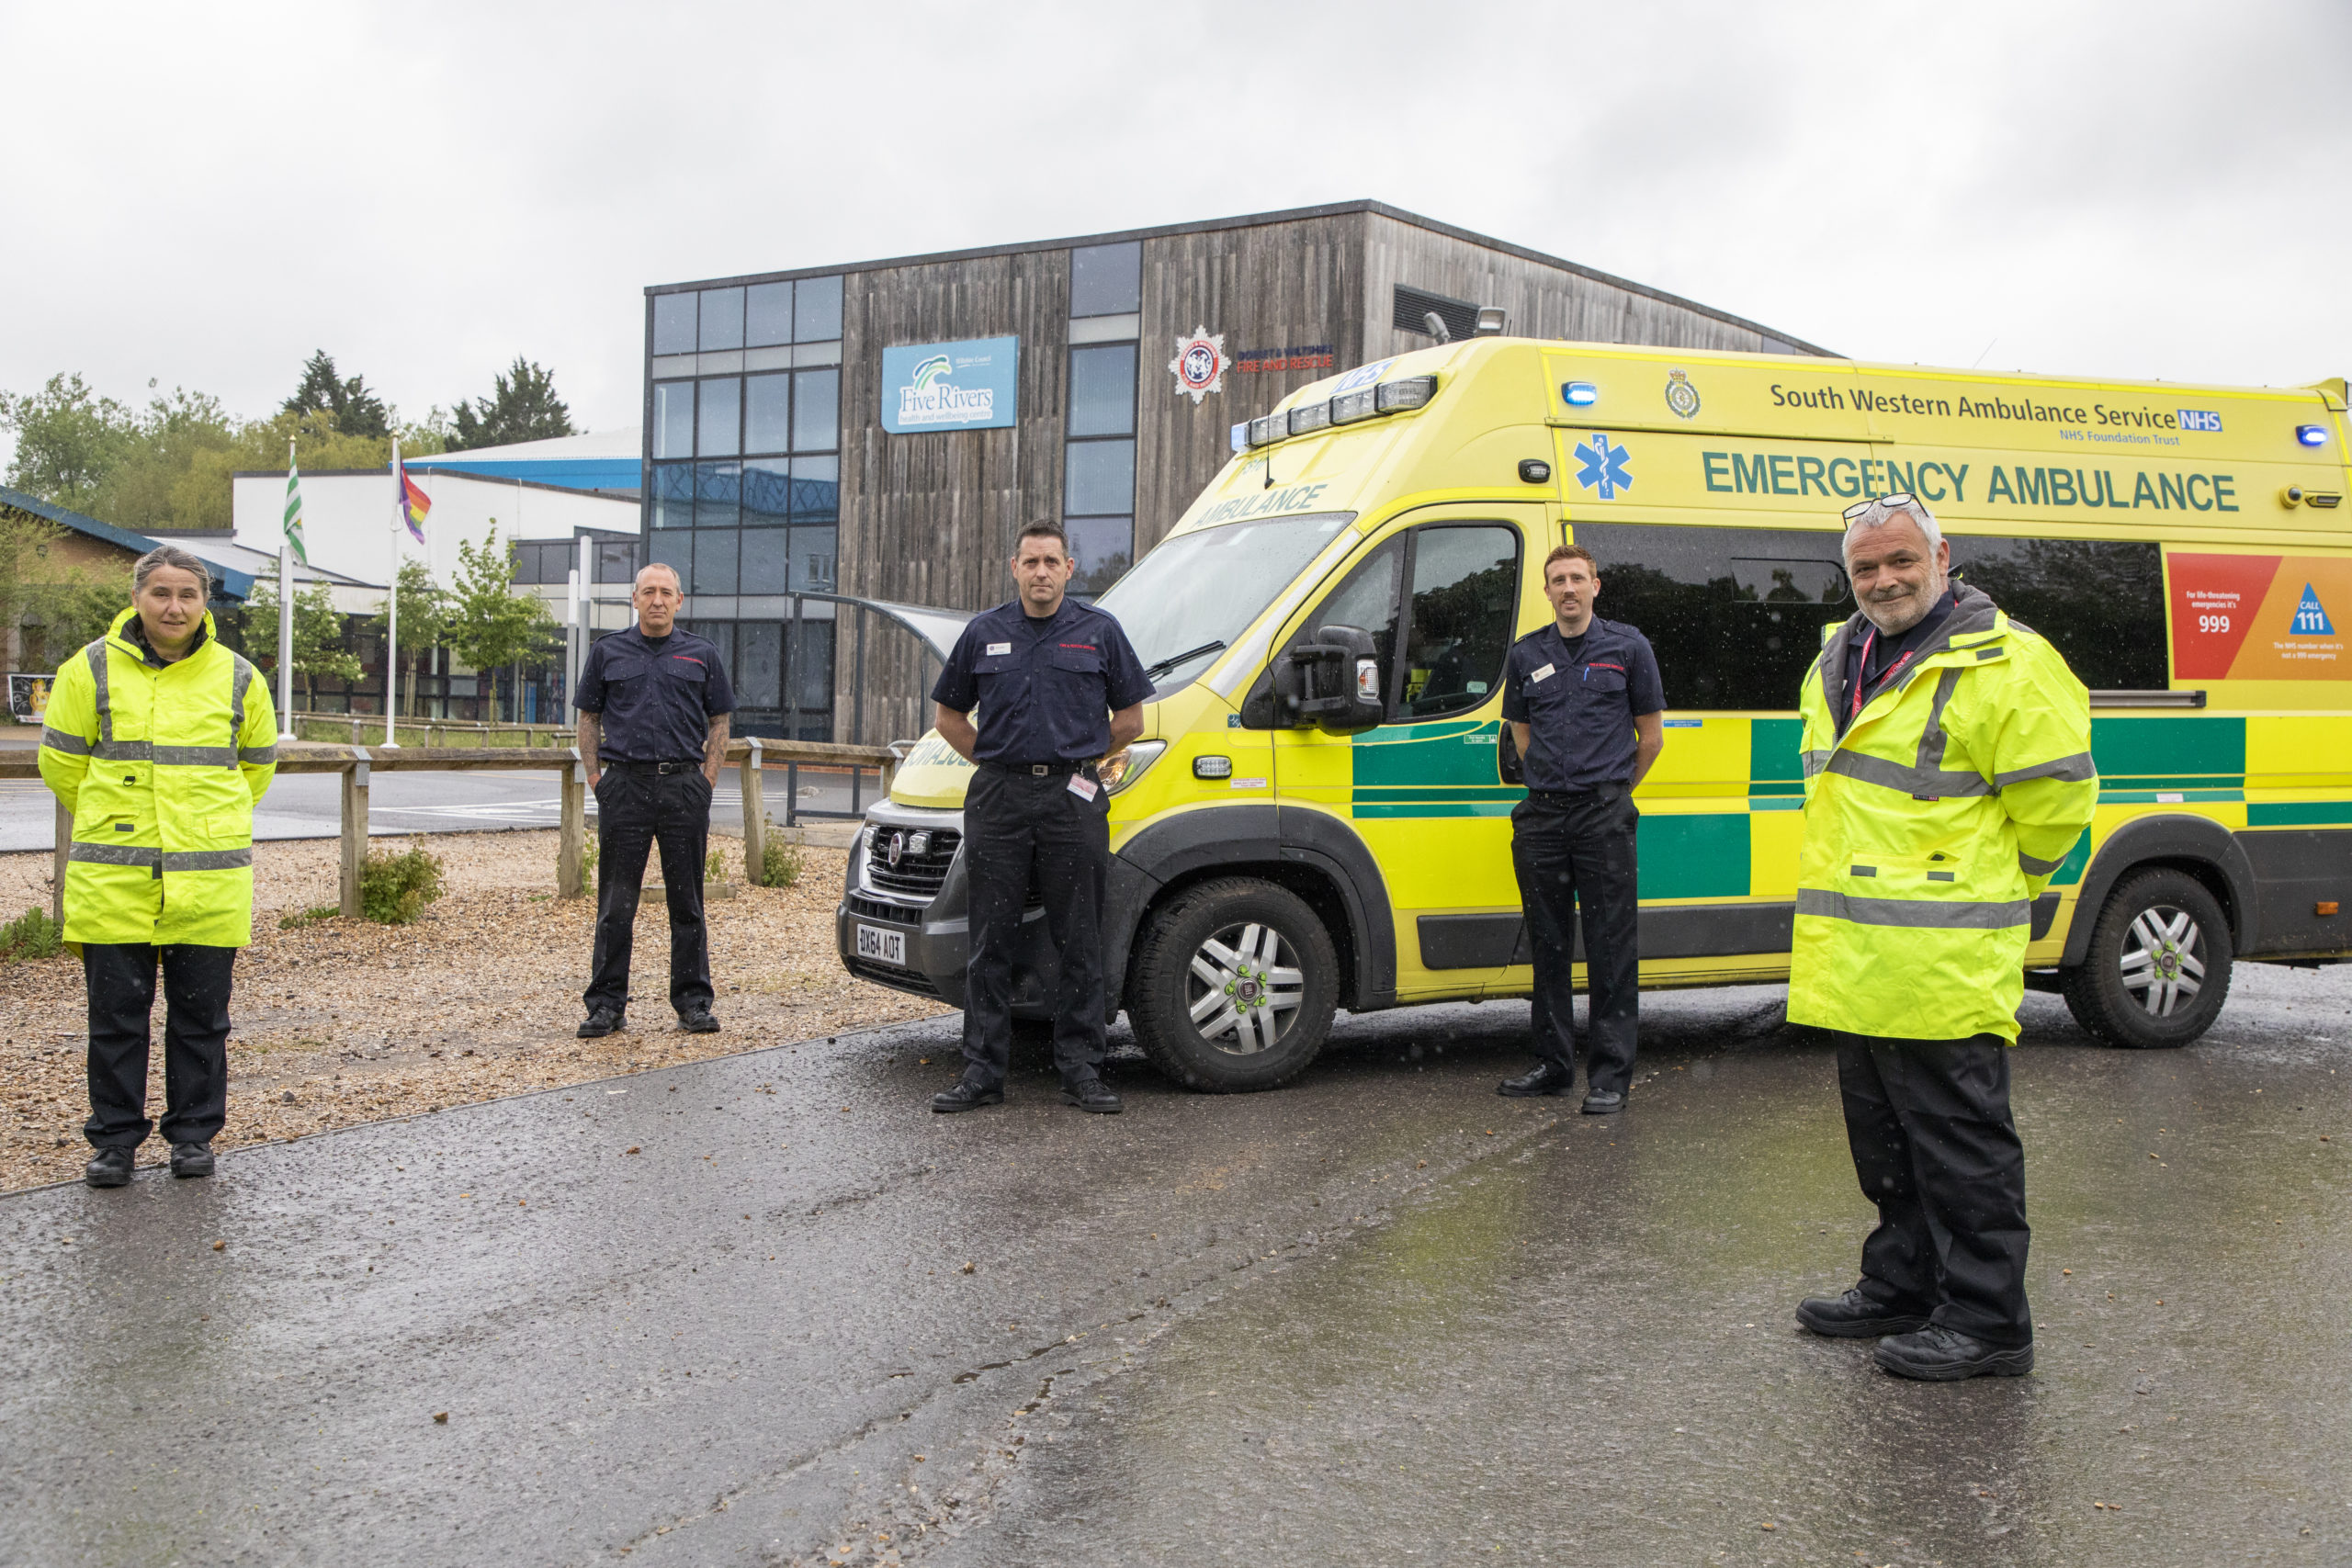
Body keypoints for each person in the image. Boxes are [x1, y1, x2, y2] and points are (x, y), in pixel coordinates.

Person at [1790, 493, 2096, 1381]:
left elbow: (2057, 808)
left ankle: (1990, 1320)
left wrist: (1988, 886)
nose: (1883, 580)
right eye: (1865, 567)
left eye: (1901, 560)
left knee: (1962, 1149)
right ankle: (1903, 1284)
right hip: (1860, 958)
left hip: (1946, 957)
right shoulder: (1838, 656)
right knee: (1887, 1148)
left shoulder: (2008, 660)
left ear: (1942, 556)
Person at [39, 545, 277, 1188]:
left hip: (207, 884)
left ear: (205, 603)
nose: (174, 607)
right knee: (115, 1021)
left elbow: (256, 768)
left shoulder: (239, 677)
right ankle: (114, 1141)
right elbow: (61, 764)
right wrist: (115, 819)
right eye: (161, 593)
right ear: (137, 597)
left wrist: (202, 826)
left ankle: (193, 1136)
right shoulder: (88, 669)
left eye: (187, 594)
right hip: (113, 882)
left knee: (202, 1021)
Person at [928, 521, 1153, 1115]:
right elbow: (948, 717)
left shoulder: (1099, 631)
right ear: (1015, 568)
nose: (1041, 572)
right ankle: (982, 1072)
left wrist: (1083, 752)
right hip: (998, 799)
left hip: (1072, 796)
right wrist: (995, 759)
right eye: (1031, 562)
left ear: (1069, 568)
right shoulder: (984, 632)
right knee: (990, 937)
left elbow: (1132, 718)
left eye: (1052, 561)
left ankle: (1082, 1070)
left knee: (1079, 936)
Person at [1496, 544, 1665, 1112]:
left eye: (1577, 578)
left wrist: (1612, 792)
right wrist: (1555, 785)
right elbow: (1522, 734)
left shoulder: (1628, 647)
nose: (1567, 588)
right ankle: (1553, 1065)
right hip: (1542, 818)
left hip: (1603, 815)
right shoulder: (1527, 654)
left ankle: (1610, 1077)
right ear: (1546, 591)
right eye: (1557, 580)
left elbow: (1651, 738)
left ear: (1596, 585)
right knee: (1547, 946)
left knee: (1610, 948)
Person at [573, 563, 734, 1039]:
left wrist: (706, 781)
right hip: (625, 789)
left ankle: (693, 1001)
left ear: (679, 601)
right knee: (615, 905)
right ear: (635, 599)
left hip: (683, 789)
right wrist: (596, 779)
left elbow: (720, 721)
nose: (657, 600)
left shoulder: (702, 654)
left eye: (666, 592)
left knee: (688, 904)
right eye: (648, 592)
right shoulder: (607, 651)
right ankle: (606, 1005)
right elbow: (588, 717)